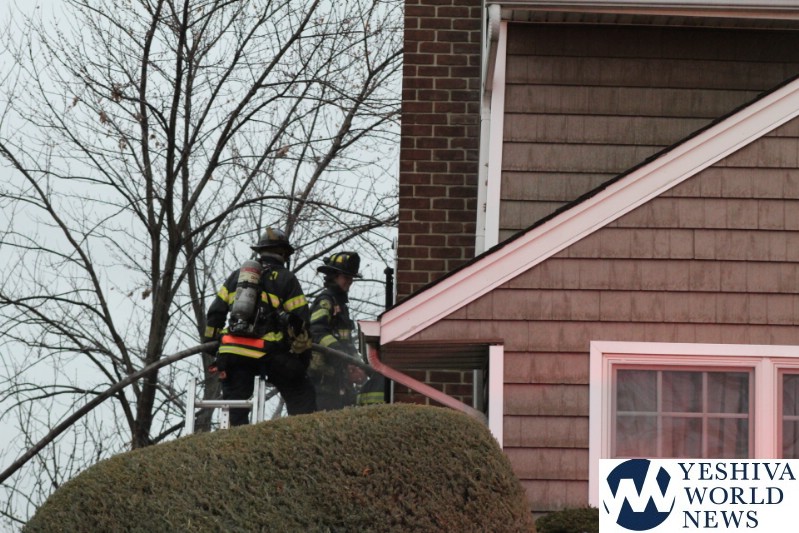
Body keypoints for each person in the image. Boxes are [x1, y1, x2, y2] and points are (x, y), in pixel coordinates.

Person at [203, 227, 316, 425]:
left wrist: (213, 345)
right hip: (269, 352)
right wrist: (302, 359)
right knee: (301, 394)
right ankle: (302, 435)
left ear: (260, 251)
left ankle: (236, 441)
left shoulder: (237, 277)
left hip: (233, 353)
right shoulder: (286, 279)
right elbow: (300, 323)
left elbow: (215, 313)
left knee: (235, 410)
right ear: (283, 254)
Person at [308, 251, 373, 410]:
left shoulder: (341, 306)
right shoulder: (325, 301)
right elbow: (317, 331)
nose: (349, 282)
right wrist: (342, 356)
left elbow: (347, 343)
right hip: (322, 380)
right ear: (334, 277)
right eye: (346, 277)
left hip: (338, 380)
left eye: (351, 278)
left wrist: (358, 365)